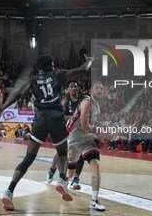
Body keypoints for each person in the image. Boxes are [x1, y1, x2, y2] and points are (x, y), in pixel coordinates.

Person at [0, 54, 93, 211]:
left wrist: (2, 109)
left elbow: (18, 94)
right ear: (50, 66)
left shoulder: (32, 80)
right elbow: (83, 70)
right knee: (62, 154)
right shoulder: (58, 74)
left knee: (28, 158)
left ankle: (8, 191)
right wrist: (90, 60)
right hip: (56, 117)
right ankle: (61, 181)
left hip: (40, 119)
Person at [66, 81, 106, 211]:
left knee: (95, 164)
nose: (100, 90)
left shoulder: (97, 107)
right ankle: (65, 181)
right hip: (74, 140)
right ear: (91, 90)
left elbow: (91, 126)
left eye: (101, 88)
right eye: (97, 88)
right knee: (70, 173)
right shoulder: (87, 102)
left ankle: (94, 200)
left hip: (87, 140)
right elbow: (84, 126)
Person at [46, 80, 86, 190]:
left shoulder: (83, 99)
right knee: (61, 153)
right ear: (68, 89)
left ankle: (75, 179)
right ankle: (52, 170)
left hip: (78, 131)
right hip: (66, 129)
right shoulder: (65, 100)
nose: (74, 88)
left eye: (75, 86)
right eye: (71, 86)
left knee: (81, 153)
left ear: (78, 88)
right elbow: (61, 116)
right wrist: (74, 117)